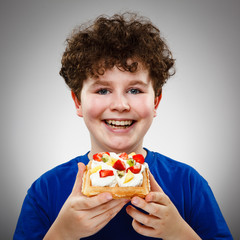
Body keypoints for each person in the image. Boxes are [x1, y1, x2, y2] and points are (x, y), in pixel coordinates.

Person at [14, 12, 233, 239]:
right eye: (102, 90)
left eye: (135, 90)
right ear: (78, 101)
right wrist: (61, 233)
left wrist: (179, 232)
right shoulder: (45, 191)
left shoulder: (189, 184)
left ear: (156, 101)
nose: (120, 104)